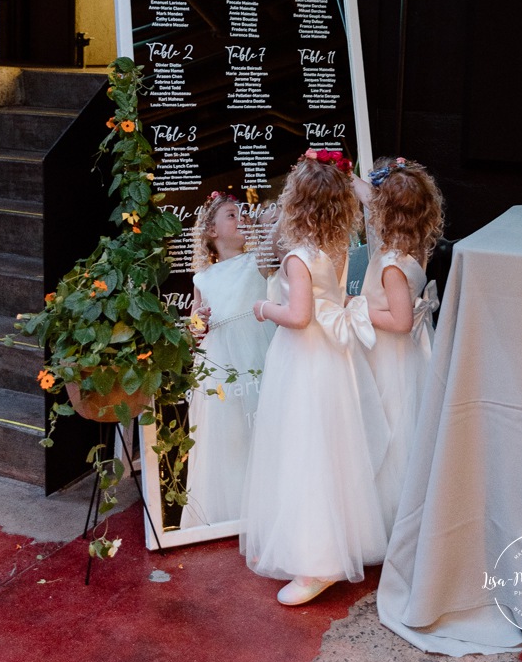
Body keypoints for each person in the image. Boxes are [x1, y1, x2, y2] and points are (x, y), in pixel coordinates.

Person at [240, 149, 388, 605]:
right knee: (333, 448)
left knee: (305, 451)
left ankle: (316, 561)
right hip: (332, 359)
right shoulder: (339, 245)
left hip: (304, 360)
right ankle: (340, 541)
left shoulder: (299, 257)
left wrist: (263, 309)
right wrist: (348, 180)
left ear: (295, 201)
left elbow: (300, 315)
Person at [354, 157, 444, 536]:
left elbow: (402, 321)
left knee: (390, 433)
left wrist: (356, 307)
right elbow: (370, 195)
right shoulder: (413, 249)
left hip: (390, 357)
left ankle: (390, 521)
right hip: (409, 358)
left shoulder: (391, 264)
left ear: (383, 213)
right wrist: (348, 176)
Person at [181, 192, 276, 529]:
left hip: (258, 350)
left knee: (264, 424)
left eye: (244, 214)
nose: (242, 220)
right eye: (232, 215)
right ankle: (234, 510)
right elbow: (195, 329)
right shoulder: (202, 278)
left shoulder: (259, 262)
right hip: (222, 363)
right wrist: (199, 322)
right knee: (231, 434)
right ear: (212, 232)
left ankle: (270, 502)